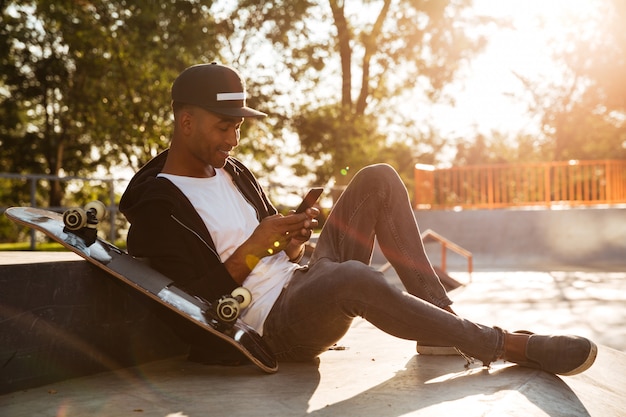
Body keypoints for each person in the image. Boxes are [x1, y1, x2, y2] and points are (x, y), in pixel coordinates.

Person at [119, 62, 597, 376]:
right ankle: (503, 345)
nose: (234, 140)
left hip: (304, 278)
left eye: (238, 128)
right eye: (224, 127)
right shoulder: (158, 208)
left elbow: (281, 251)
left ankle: (441, 327)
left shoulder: (232, 170)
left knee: (379, 178)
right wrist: (255, 247)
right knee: (353, 277)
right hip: (275, 324)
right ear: (186, 123)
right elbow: (192, 304)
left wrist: (291, 240)